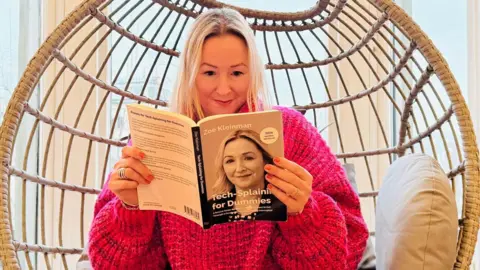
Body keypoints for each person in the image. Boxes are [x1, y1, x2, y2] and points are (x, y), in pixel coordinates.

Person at [88, 7, 369, 270]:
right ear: (190, 74)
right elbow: (106, 262)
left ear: (253, 73)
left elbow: (348, 247)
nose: (224, 89)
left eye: (236, 73)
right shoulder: (155, 136)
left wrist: (303, 213)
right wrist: (130, 209)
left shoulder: (291, 130)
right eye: (209, 73)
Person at [208, 129, 287, 223]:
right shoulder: (210, 207)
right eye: (230, 161)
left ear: (265, 160)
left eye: (248, 158)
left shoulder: (284, 203)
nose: (239, 169)